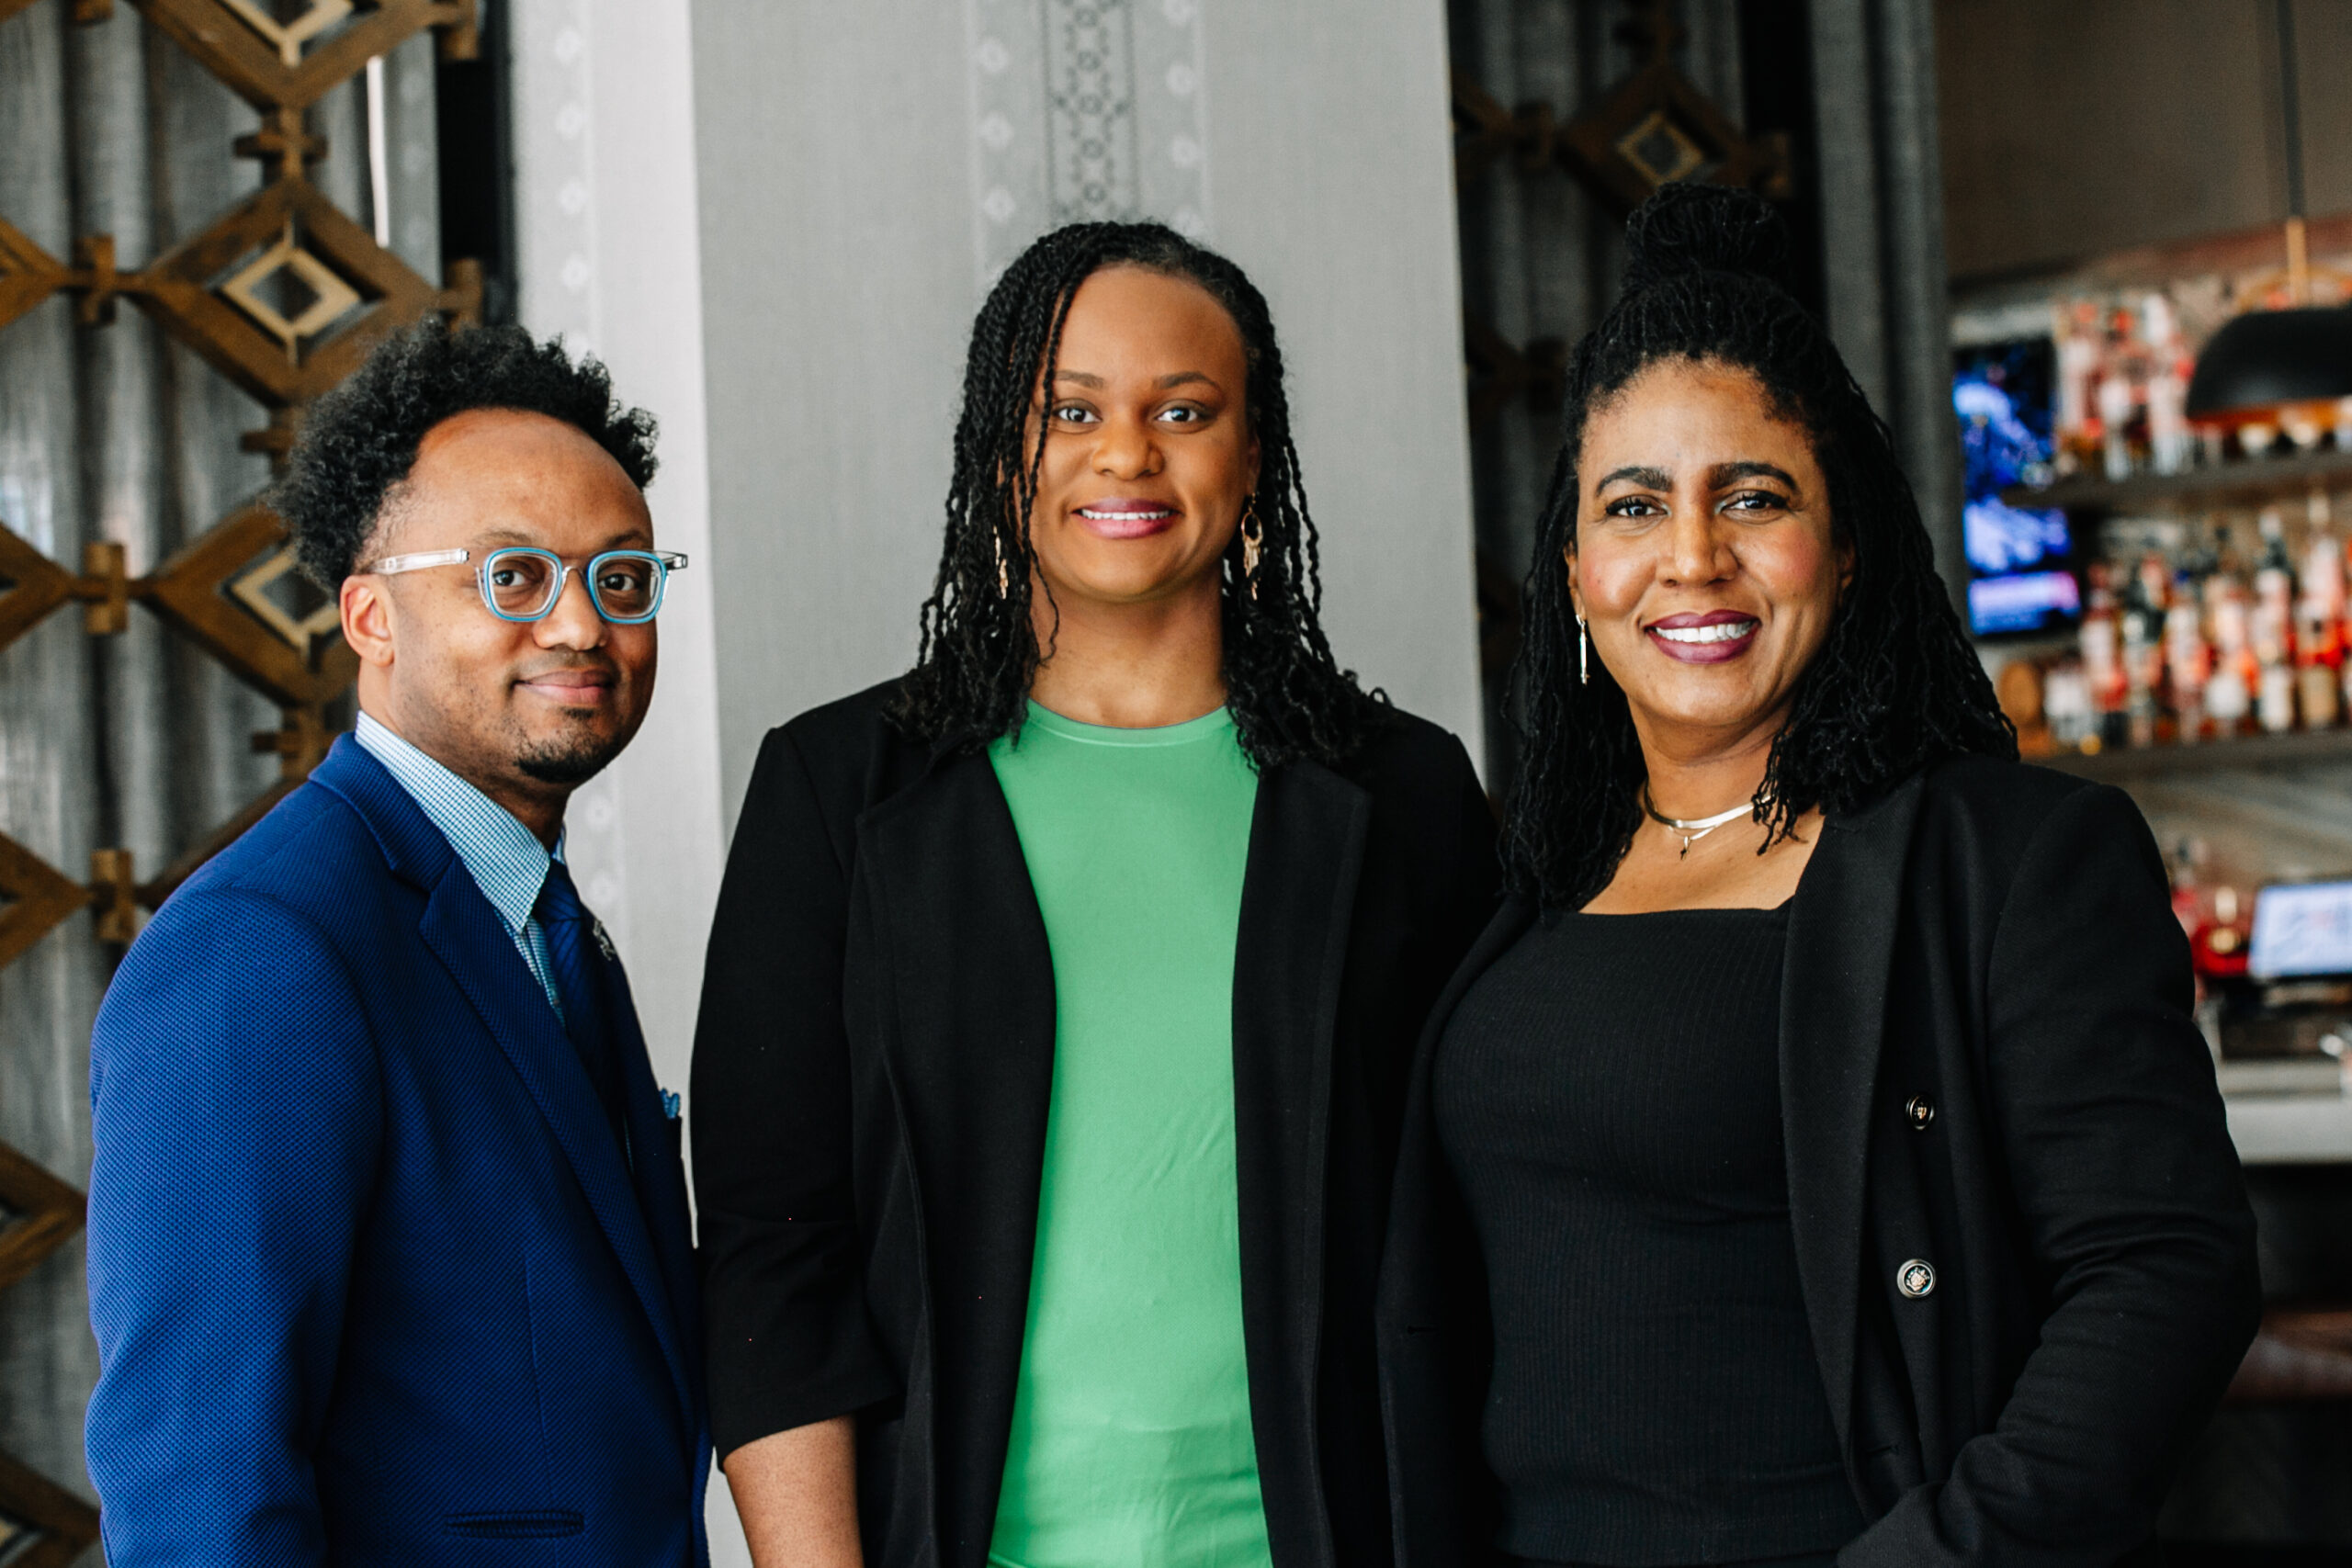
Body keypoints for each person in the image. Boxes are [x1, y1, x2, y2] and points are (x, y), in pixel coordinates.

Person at [1377, 183, 2260, 1568]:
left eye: (1752, 496)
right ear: (1572, 572)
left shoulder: (2011, 861)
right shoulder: (1528, 883)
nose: (1691, 558)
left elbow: (2166, 1273)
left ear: (1846, 551)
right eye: (1634, 506)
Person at [692, 221, 1498, 1568]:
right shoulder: (840, 790)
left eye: (1184, 411)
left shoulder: (1405, 795)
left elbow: (1486, 1221)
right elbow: (775, 1248)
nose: (1126, 454)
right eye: (1069, 411)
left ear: (1254, 454)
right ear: (997, 448)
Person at [85, 322, 708, 1565]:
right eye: (514, 576)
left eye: (621, 577)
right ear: (370, 615)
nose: (583, 626)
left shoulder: (553, 930)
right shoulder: (262, 952)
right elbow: (202, 1483)